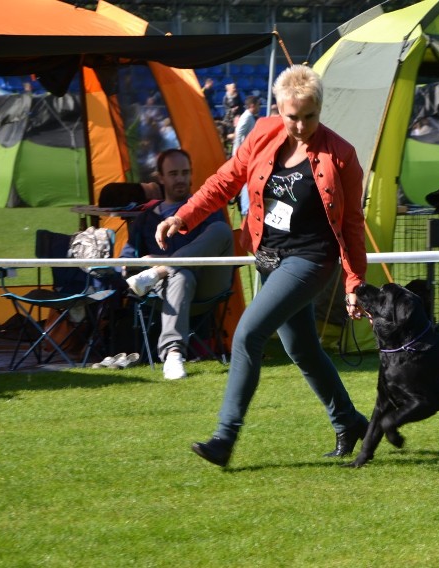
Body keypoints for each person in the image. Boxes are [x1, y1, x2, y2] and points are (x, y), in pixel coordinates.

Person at [156, 65, 369, 467]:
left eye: (310, 116)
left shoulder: (341, 155)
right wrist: (183, 216)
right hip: (268, 256)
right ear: (278, 108)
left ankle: (224, 437)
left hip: (311, 260)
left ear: (320, 110)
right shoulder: (262, 133)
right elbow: (225, 181)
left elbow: (354, 225)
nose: (302, 125)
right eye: (293, 116)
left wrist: (353, 283)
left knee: (248, 334)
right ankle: (350, 422)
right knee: (301, 348)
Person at [122, 148, 235, 380]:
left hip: (207, 285)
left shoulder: (207, 209)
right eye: (173, 173)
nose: (181, 178)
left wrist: (160, 265)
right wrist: (146, 264)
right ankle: (173, 355)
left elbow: (221, 242)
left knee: (222, 229)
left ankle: (160, 271)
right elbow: (125, 262)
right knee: (181, 276)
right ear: (160, 177)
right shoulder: (145, 218)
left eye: (185, 172)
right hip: (165, 292)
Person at [232, 95, 262, 216]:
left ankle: (246, 207)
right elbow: (239, 133)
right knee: (246, 179)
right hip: (244, 155)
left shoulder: (249, 117)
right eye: (258, 105)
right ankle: (246, 209)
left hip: (246, 154)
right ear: (252, 105)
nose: (260, 107)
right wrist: (239, 152)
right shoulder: (247, 117)